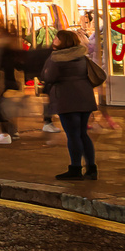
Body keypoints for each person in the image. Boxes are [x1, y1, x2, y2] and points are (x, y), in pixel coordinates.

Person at [41, 29, 99, 180]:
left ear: (63, 41)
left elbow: (48, 76)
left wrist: (49, 60)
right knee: (82, 134)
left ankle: (75, 169)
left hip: (67, 99)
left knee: (73, 135)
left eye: (57, 38)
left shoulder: (57, 58)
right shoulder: (81, 56)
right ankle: (91, 168)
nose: (54, 40)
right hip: (85, 97)